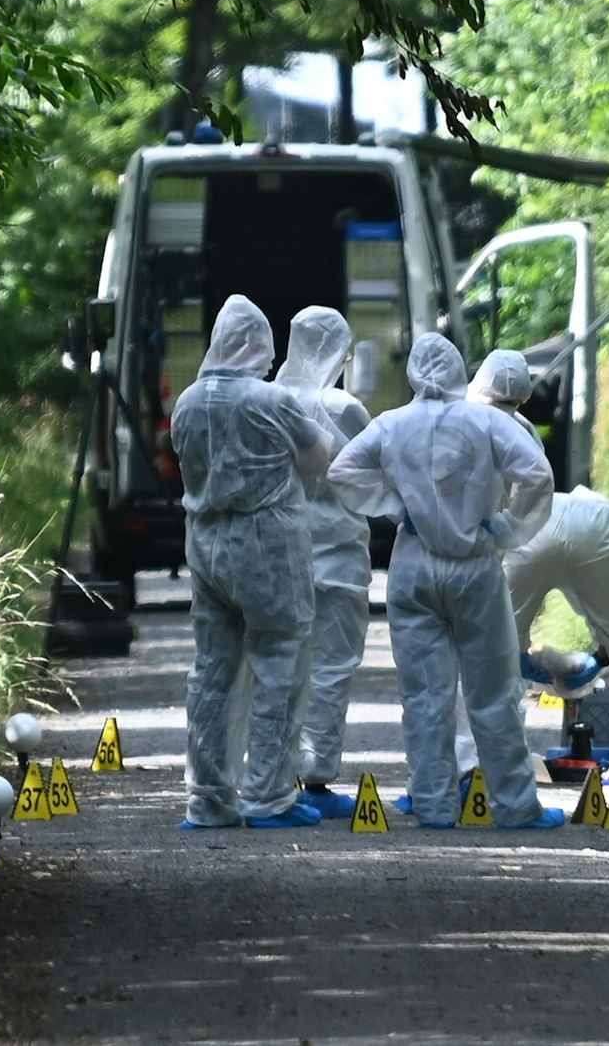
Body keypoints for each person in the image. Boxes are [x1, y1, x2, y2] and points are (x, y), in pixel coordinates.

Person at [327, 335, 565, 830]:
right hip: (474, 564)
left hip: (412, 564)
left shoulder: (392, 423)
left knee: (424, 696)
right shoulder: (488, 422)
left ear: (412, 372)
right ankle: (516, 808)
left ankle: (435, 806)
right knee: (492, 693)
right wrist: (509, 527)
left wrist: (395, 507)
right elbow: (537, 476)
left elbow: (342, 469)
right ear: (462, 371)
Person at [463, 350, 609, 781]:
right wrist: (599, 658)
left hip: (527, 535)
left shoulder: (460, 418)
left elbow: (503, 506)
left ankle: (494, 766)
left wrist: (526, 659)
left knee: (495, 653)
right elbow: (539, 485)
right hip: (596, 526)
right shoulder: (524, 426)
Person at [171, 295, 333, 829]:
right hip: (266, 545)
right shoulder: (272, 401)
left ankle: (208, 801)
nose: (269, 359)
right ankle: (268, 796)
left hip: (205, 543)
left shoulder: (188, 403)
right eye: (264, 348)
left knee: (212, 672)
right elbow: (316, 459)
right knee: (279, 663)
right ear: (251, 344)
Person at [273, 308, 374, 821]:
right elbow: (378, 464)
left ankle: (272, 772)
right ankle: (315, 778)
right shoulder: (346, 406)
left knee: (279, 665)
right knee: (332, 667)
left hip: (282, 553)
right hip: (339, 554)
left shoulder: (269, 402)